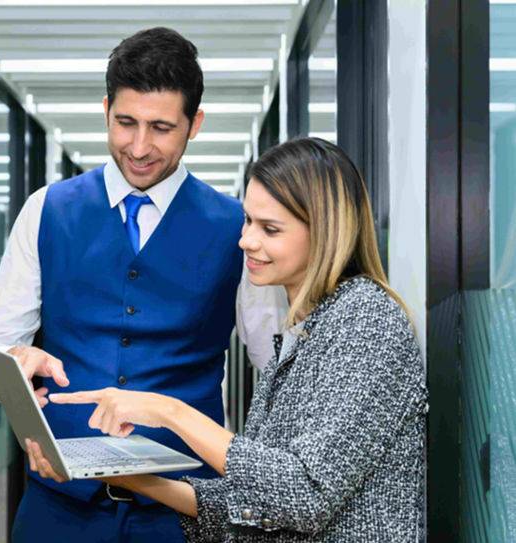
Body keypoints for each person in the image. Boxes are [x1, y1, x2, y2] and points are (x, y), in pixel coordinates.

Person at [0, 27, 286, 542]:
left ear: (194, 124)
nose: (139, 147)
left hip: (183, 516)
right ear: (106, 109)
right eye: (125, 123)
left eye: (160, 127)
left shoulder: (238, 228)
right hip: (57, 509)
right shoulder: (46, 211)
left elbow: (274, 368)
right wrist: (15, 369)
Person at [30, 137, 428, 542]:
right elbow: (254, 505)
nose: (246, 241)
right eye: (248, 221)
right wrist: (117, 474)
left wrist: (170, 412)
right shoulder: (303, 330)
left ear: (326, 233)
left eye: (270, 229)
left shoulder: (366, 319)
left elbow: (304, 495)